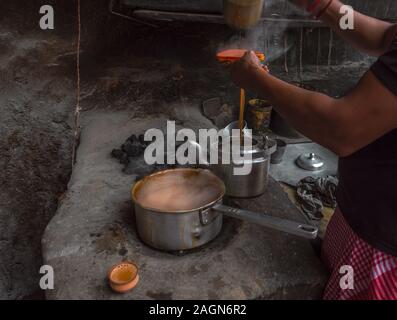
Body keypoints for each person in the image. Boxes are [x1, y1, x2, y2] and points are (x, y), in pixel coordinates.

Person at [230, 0, 397, 300]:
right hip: (360, 218)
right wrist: (321, 5)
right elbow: (384, 38)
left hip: (384, 248)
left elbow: (341, 129)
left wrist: (257, 79)